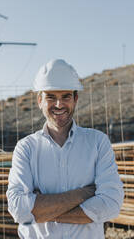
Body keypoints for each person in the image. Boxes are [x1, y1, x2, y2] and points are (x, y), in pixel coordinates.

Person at [7, 59, 124, 238]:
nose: (59, 104)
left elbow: (111, 204)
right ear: (40, 100)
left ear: (75, 99)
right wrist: (84, 194)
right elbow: (18, 209)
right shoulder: (26, 148)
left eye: (66, 97)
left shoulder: (98, 142)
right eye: (51, 97)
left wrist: (42, 211)